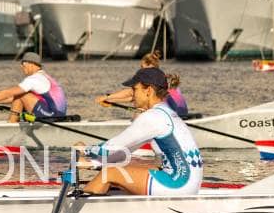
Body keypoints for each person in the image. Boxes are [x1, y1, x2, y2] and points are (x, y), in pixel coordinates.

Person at [77, 67, 203, 196]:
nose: (132, 95)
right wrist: (94, 163)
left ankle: (81, 205)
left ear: (148, 90)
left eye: (135, 89)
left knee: (110, 172)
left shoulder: (152, 117)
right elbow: (123, 151)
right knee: (130, 168)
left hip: (179, 183)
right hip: (191, 183)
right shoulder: (166, 112)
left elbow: (110, 148)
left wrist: (84, 150)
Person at [0, 52, 67, 123]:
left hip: (52, 115)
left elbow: (8, 93)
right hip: (58, 114)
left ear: (32, 64)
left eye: (23, 64)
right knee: (20, 95)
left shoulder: (34, 79)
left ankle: (11, 126)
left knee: (20, 95)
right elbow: (13, 98)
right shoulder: (43, 77)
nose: (21, 66)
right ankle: (12, 123)